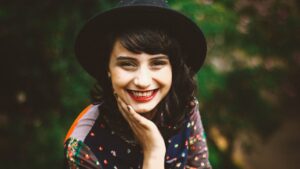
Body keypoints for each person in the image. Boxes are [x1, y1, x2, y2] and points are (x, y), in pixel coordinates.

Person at [64, 0, 212, 168]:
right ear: (108, 69)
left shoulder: (185, 107)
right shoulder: (84, 145)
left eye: (157, 63)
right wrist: (153, 153)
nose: (142, 81)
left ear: (173, 68)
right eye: (127, 64)